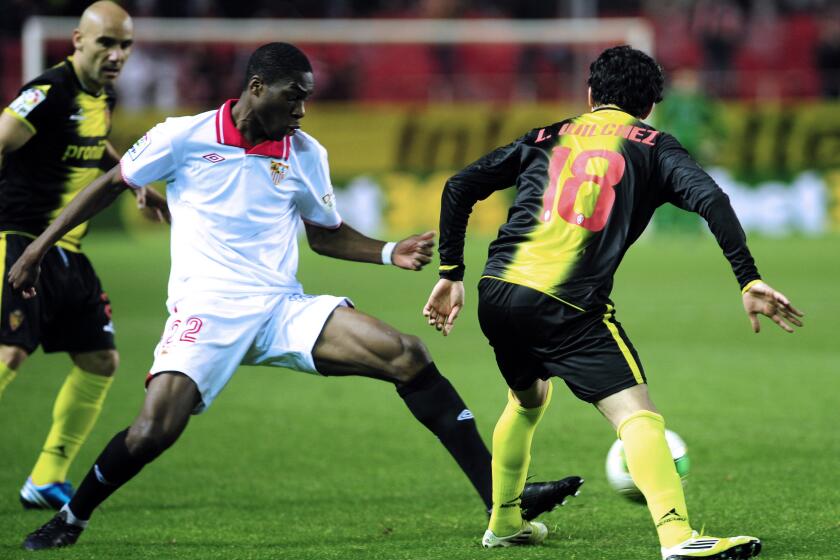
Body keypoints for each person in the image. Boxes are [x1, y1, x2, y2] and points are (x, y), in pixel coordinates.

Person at [11, 42, 581, 551]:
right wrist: (37, 248)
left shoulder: (304, 152)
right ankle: (71, 514)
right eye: (294, 97)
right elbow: (111, 185)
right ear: (257, 88)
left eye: (307, 99)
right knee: (154, 431)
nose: (302, 110)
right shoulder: (182, 136)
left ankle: (502, 500)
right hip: (206, 311)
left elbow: (325, 233)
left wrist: (389, 251)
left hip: (281, 307)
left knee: (408, 355)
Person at [423, 45, 803, 558]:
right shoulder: (654, 145)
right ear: (650, 106)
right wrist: (747, 278)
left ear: (589, 94)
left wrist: (451, 273)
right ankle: (678, 538)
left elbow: (459, 185)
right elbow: (713, 199)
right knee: (637, 416)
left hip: (497, 290)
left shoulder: (545, 135)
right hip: (568, 304)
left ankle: (506, 521)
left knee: (528, 398)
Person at [0, 1, 166, 511]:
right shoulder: (47, 93)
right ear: (77, 40)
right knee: (9, 353)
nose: (117, 55)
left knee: (99, 359)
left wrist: (133, 181)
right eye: (105, 44)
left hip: (69, 251)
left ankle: (47, 476)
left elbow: (93, 145)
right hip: (22, 241)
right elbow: (4, 139)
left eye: (125, 45)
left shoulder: (103, 95)